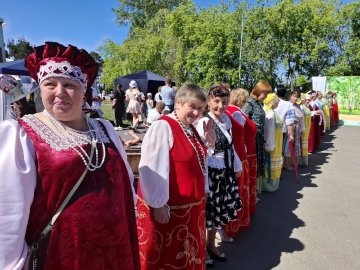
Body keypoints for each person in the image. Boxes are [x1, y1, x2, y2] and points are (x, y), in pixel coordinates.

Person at [0, 42, 140, 270]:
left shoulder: (104, 128)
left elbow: (124, 183)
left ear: (84, 90)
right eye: (50, 84)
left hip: (116, 247)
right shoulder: (21, 134)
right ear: (40, 88)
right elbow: (8, 211)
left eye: (69, 84)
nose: (59, 93)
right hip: (62, 254)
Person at [136, 83, 215, 269]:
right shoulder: (163, 126)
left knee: (186, 256)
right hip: (171, 210)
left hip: (191, 208)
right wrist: (159, 204)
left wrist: (209, 144)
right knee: (169, 257)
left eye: (201, 109)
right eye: (192, 107)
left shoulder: (190, 127)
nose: (196, 113)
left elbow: (193, 160)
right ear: (178, 103)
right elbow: (151, 166)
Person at [196, 84, 242, 264]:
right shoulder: (204, 122)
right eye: (216, 102)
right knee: (208, 213)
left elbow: (230, 146)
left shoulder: (226, 120)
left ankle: (210, 244)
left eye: (224, 102)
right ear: (208, 101)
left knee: (217, 213)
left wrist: (237, 166)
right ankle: (203, 249)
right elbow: (201, 153)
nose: (220, 106)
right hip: (211, 173)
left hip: (224, 171)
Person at [222, 88, 251, 236]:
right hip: (238, 154)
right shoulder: (236, 113)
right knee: (237, 189)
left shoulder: (230, 112)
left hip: (236, 154)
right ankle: (231, 225)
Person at [243, 80, 271, 195]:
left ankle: (254, 193)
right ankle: (250, 194)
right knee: (252, 167)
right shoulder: (249, 104)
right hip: (252, 140)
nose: (266, 96)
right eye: (265, 93)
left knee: (257, 166)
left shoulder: (257, 103)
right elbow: (244, 122)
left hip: (258, 139)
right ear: (258, 91)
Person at [263, 93, 283, 192]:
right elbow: (269, 131)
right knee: (269, 164)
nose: (279, 101)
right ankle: (269, 186)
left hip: (276, 141)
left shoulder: (271, 112)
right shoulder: (270, 113)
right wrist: (269, 146)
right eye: (277, 100)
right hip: (273, 143)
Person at [274, 86, 296, 170]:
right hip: (281, 132)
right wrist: (291, 135)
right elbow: (290, 122)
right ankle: (278, 170)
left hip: (270, 130)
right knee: (280, 152)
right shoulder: (288, 104)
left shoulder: (268, 102)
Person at [299, 93, 312, 166]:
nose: (307, 101)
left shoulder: (305, 107)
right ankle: (301, 161)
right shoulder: (301, 107)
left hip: (306, 129)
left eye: (308, 100)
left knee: (304, 143)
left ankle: (304, 159)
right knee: (301, 144)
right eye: (305, 99)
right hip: (303, 129)